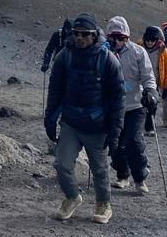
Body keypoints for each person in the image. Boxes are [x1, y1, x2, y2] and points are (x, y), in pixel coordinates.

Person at [44, 13, 125, 225]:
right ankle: (72, 197)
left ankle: (103, 204)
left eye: (85, 34)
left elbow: (118, 97)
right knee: (62, 164)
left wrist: (115, 130)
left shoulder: (108, 60)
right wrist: (50, 119)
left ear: (93, 35)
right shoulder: (65, 56)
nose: (80, 38)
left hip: (97, 125)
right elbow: (55, 90)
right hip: (71, 121)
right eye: (76, 34)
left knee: (99, 169)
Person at [105, 16, 158, 194]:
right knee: (115, 144)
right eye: (114, 38)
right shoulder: (103, 53)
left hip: (135, 105)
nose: (118, 41)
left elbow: (148, 76)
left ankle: (140, 177)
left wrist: (150, 92)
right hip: (113, 107)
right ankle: (122, 175)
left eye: (122, 38)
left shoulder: (138, 52)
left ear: (127, 37)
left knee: (134, 142)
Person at [140, 26, 167, 135]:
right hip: (140, 80)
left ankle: (150, 127)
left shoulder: (163, 50)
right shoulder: (139, 47)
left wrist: (166, 86)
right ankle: (140, 126)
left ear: (156, 40)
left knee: (152, 104)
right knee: (139, 104)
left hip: (155, 83)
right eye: (147, 40)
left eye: (152, 40)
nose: (149, 43)